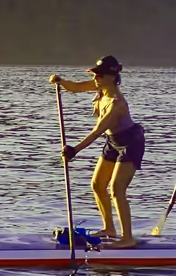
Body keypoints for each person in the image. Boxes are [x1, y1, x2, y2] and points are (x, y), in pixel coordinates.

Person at [49, 55, 145, 249]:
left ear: (111, 77)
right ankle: (109, 229)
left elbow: (96, 132)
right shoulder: (100, 87)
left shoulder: (117, 103)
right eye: (95, 74)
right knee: (97, 185)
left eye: (99, 75)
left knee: (117, 190)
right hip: (113, 141)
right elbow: (75, 87)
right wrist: (60, 81)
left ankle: (128, 238)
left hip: (131, 143)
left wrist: (74, 150)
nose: (96, 78)